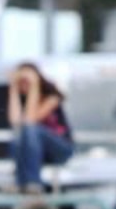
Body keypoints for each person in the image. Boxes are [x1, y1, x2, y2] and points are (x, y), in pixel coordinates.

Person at [6, 62, 74, 193]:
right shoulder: (21, 100)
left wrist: (34, 85)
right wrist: (13, 87)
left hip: (61, 149)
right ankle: (23, 184)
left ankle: (32, 183)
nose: (24, 83)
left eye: (27, 80)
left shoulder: (52, 97)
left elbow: (30, 121)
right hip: (37, 154)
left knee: (30, 130)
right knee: (18, 136)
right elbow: (15, 122)